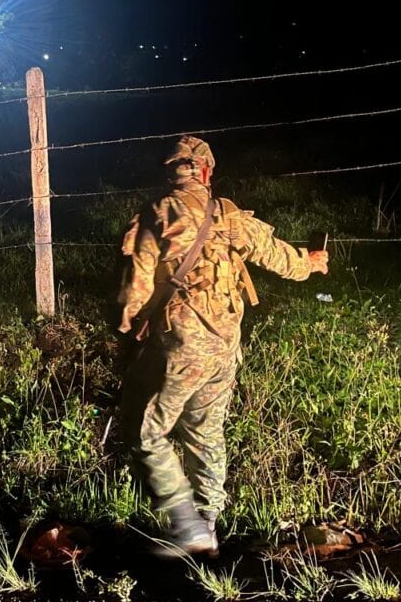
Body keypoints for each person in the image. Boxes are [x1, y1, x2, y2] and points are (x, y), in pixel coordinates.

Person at [117, 135, 329, 556]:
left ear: (172, 170)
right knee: (205, 431)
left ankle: (187, 524)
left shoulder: (157, 213)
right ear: (207, 172)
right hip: (225, 347)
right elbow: (280, 258)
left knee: (146, 433)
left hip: (182, 346)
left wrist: (125, 332)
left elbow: (135, 289)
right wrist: (311, 263)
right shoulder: (229, 215)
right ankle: (207, 523)